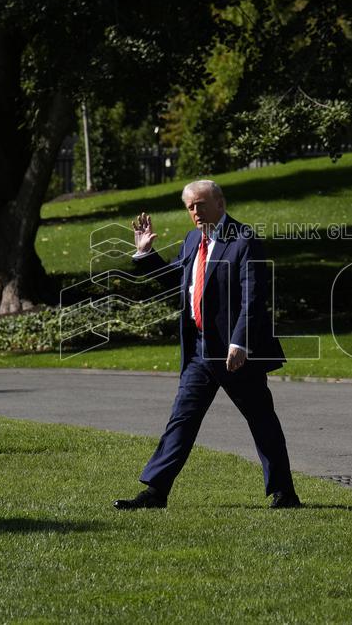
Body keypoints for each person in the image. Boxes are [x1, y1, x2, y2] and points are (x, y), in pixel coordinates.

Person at [113, 179, 301, 510]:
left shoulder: (244, 240)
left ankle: (284, 493)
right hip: (200, 352)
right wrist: (146, 254)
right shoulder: (191, 241)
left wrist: (240, 341)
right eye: (190, 207)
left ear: (220, 204)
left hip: (235, 353)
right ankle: (156, 492)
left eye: (200, 204)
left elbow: (253, 297)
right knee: (181, 419)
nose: (195, 212)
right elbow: (179, 281)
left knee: (261, 419)